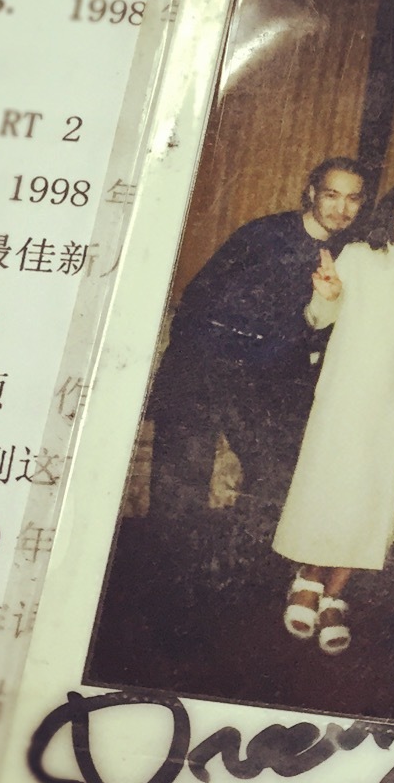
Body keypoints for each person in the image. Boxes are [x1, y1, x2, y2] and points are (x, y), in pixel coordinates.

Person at [144, 157, 367, 582]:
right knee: (179, 484)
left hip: (265, 376)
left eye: (353, 199)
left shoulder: (350, 255)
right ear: (312, 193)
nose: (341, 208)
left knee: (277, 471)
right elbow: (198, 296)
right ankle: (167, 586)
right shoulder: (264, 234)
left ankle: (238, 576)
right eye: (332, 195)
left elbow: (319, 329)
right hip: (204, 361)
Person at [273, 178, 394, 653]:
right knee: (332, 482)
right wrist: (327, 294)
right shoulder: (358, 255)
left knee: (371, 489)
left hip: (391, 400)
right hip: (345, 392)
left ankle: (335, 593)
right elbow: (319, 317)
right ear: (390, 214)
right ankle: (309, 576)